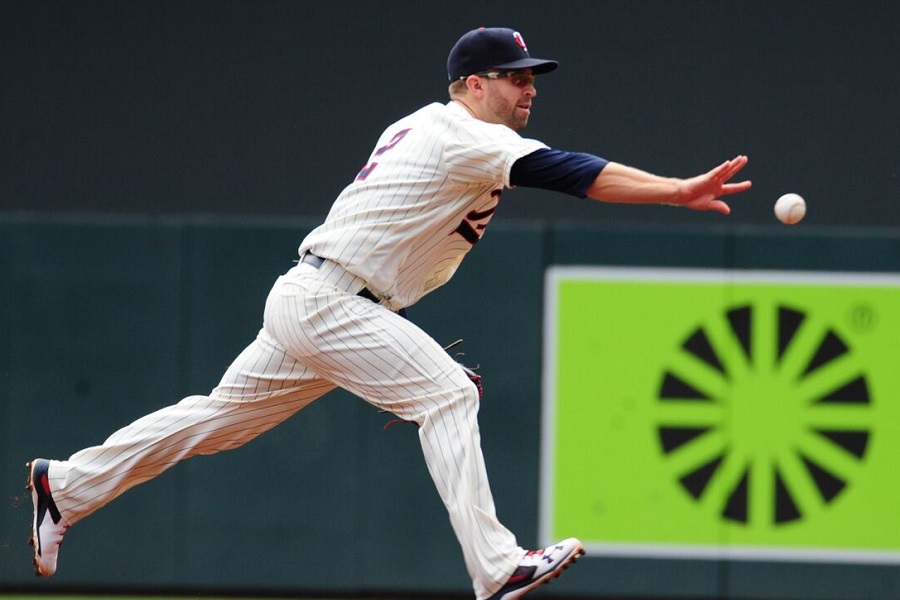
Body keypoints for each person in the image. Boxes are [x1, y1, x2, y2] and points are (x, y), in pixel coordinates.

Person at [27, 27, 751, 600]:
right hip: (331, 299)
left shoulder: (429, 127)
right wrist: (676, 189)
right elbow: (570, 173)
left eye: (533, 75)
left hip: (320, 299)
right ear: (474, 84)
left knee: (218, 422)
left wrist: (386, 360)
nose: (530, 86)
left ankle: (68, 486)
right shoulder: (465, 133)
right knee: (448, 393)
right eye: (516, 75)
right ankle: (497, 567)